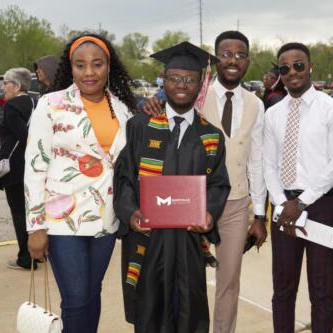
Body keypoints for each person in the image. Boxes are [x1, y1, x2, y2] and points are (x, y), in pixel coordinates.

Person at [145, 30, 267, 333]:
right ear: (214, 58)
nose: (233, 60)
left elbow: (257, 160)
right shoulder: (194, 91)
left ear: (248, 61)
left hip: (236, 204)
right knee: (185, 277)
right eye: (226, 53)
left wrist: (260, 213)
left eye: (240, 54)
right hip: (191, 200)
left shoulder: (255, 104)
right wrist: (153, 102)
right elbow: (167, 113)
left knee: (228, 281)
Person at [113, 41, 230, 332]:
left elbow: (218, 184)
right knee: (150, 309)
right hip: (148, 238)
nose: (182, 85)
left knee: (189, 309)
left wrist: (210, 216)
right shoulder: (141, 125)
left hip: (189, 241)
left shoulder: (211, 136)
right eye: (175, 78)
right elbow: (124, 177)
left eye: (190, 80)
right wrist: (130, 213)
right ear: (163, 80)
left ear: (200, 85)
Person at [25, 33, 136, 333]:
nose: (89, 72)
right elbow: (35, 166)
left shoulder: (123, 109)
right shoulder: (51, 104)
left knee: (91, 293)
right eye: (80, 65)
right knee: (75, 299)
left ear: (108, 66)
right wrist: (35, 226)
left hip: (106, 220)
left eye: (97, 64)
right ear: (71, 68)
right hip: (62, 221)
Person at [263, 42, 333, 333]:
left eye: (298, 65)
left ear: (310, 67)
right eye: (284, 68)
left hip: (322, 206)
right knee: (283, 288)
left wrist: (301, 203)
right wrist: (281, 202)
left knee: (322, 291)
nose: (292, 72)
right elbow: (268, 165)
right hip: (283, 206)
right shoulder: (272, 114)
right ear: (280, 74)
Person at [0, 67, 35, 270]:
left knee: (20, 214)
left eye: (6, 82)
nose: (3, 87)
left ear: (17, 85)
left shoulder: (12, 106)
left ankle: (26, 258)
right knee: (33, 212)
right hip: (32, 167)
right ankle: (38, 253)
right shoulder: (35, 102)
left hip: (16, 170)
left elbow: (24, 136)